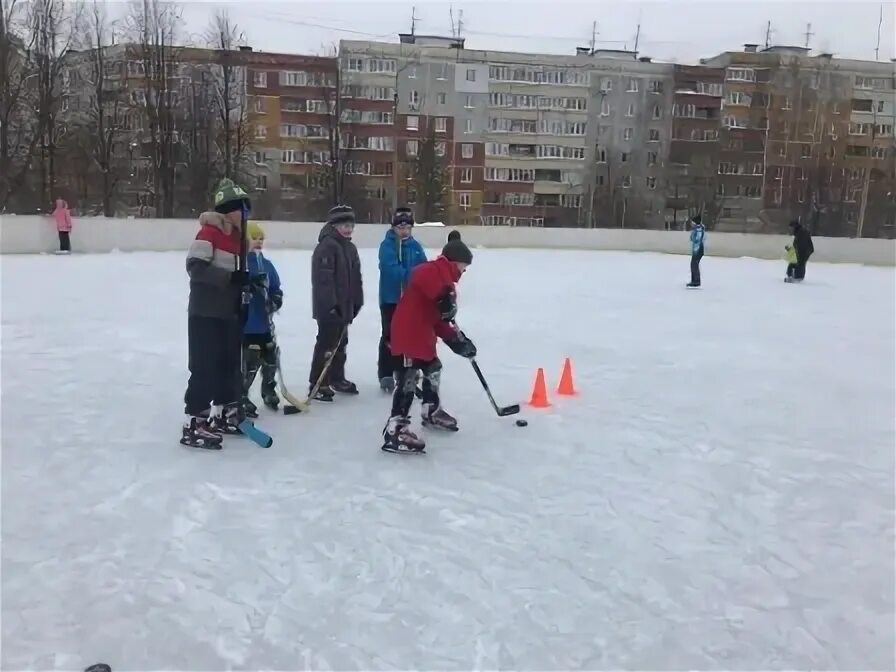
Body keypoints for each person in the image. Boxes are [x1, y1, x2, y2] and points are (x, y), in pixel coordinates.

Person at [382, 235, 477, 454]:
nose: (465, 270)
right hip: (408, 333)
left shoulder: (448, 284)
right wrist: (442, 297)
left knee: (433, 368)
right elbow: (419, 277)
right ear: (455, 261)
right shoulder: (432, 271)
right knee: (408, 378)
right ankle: (395, 428)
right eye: (464, 265)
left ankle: (431, 410)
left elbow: (441, 320)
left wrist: (457, 341)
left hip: (423, 335)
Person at [180, 178, 251, 449]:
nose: (245, 215)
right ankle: (194, 422)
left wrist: (247, 284)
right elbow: (195, 267)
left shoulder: (238, 239)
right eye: (241, 209)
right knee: (204, 367)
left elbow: (238, 276)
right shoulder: (209, 233)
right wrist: (230, 278)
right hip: (205, 311)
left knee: (228, 364)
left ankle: (223, 413)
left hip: (229, 312)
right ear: (227, 210)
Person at [309, 204, 363, 400]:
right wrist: (330, 306)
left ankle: (336, 377)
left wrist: (357, 301)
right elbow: (323, 281)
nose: (348, 229)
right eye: (343, 225)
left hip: (345, 306)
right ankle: (318, 383)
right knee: (326, 345)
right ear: (333, 226)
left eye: (350, 225)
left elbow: (356, 278)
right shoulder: (327, 247)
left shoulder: (350, 248)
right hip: (329, 308)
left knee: (341, 344)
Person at [377, 207, 427, 392]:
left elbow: (424, 267)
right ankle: (386, 372)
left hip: (411, 300)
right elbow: (390, 268)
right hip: (391, 299)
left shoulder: (415, 246)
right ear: (394, 227)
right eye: (400, 227)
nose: (404, 231)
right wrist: (412, 277)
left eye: (407, 227)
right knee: (390, 336)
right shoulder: (388, 245)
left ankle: (407, 370)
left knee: (409, 335)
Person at [241, 221, 283, 417]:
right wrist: (249, 286)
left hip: (265, 322)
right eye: (253, 238)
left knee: (270, 357)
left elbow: (275, 286)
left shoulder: (266, 264)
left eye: (260, 239)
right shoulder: (241, 263)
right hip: (248, 324)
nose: (258, 242)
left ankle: (268, 389)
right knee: (250, 361)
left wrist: (276, 298)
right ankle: (241, 394)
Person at [687, 214, 705, 288]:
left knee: (694, 265)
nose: (691, 223)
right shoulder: (697, 229)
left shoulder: (698, 229)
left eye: (692, 222)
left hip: (698, 249)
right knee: (693, 265)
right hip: (697, 249)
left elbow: (697, 239)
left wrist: (693, 238)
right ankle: (694, 280)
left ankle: (696, 281)